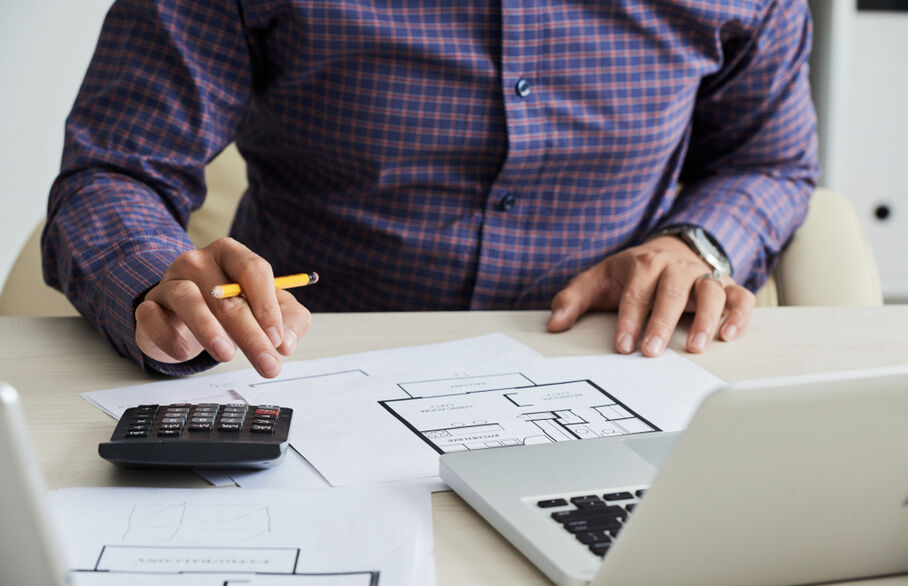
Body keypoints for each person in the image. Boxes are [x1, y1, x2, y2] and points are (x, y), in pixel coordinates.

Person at [42, 0, 818, 379]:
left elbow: (767, 164)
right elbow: (118, 166)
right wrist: (154, 281)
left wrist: (695, 244)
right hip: (297, 370)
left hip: (613, 367)